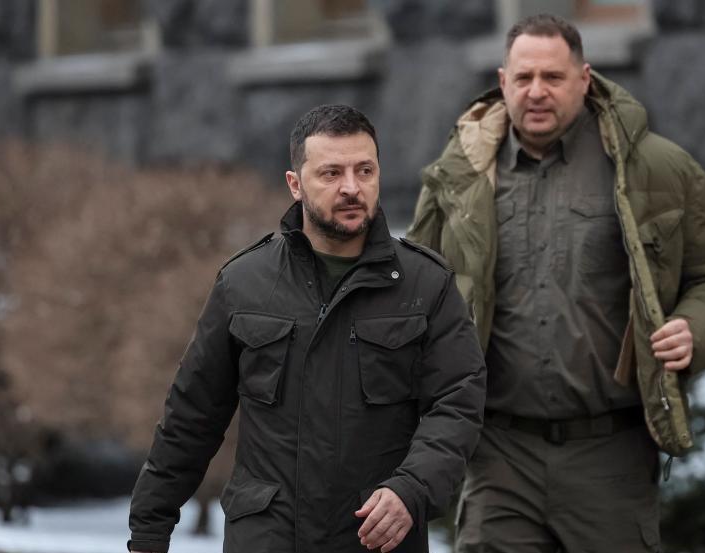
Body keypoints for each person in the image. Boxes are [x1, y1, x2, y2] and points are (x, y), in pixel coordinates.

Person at [407, 13, 705, 553]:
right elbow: (413, 293)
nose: (537, 91)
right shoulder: (458, 177)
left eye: (553, 77)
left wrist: (696, 328)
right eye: (524, 78)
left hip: (610, 458)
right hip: (499, 456)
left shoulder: (653, 169)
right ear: (502, 82)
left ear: (585, 79)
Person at [128, 104, 486, 553]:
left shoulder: (425, 284)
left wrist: (412, 487)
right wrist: (149, 532)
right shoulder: (244, 283)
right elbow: (191, 416)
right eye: (331, 173)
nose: (351, 187)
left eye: (365, 170)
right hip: (267, 538)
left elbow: (458, 403)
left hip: (374, 539)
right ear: (295, 184)